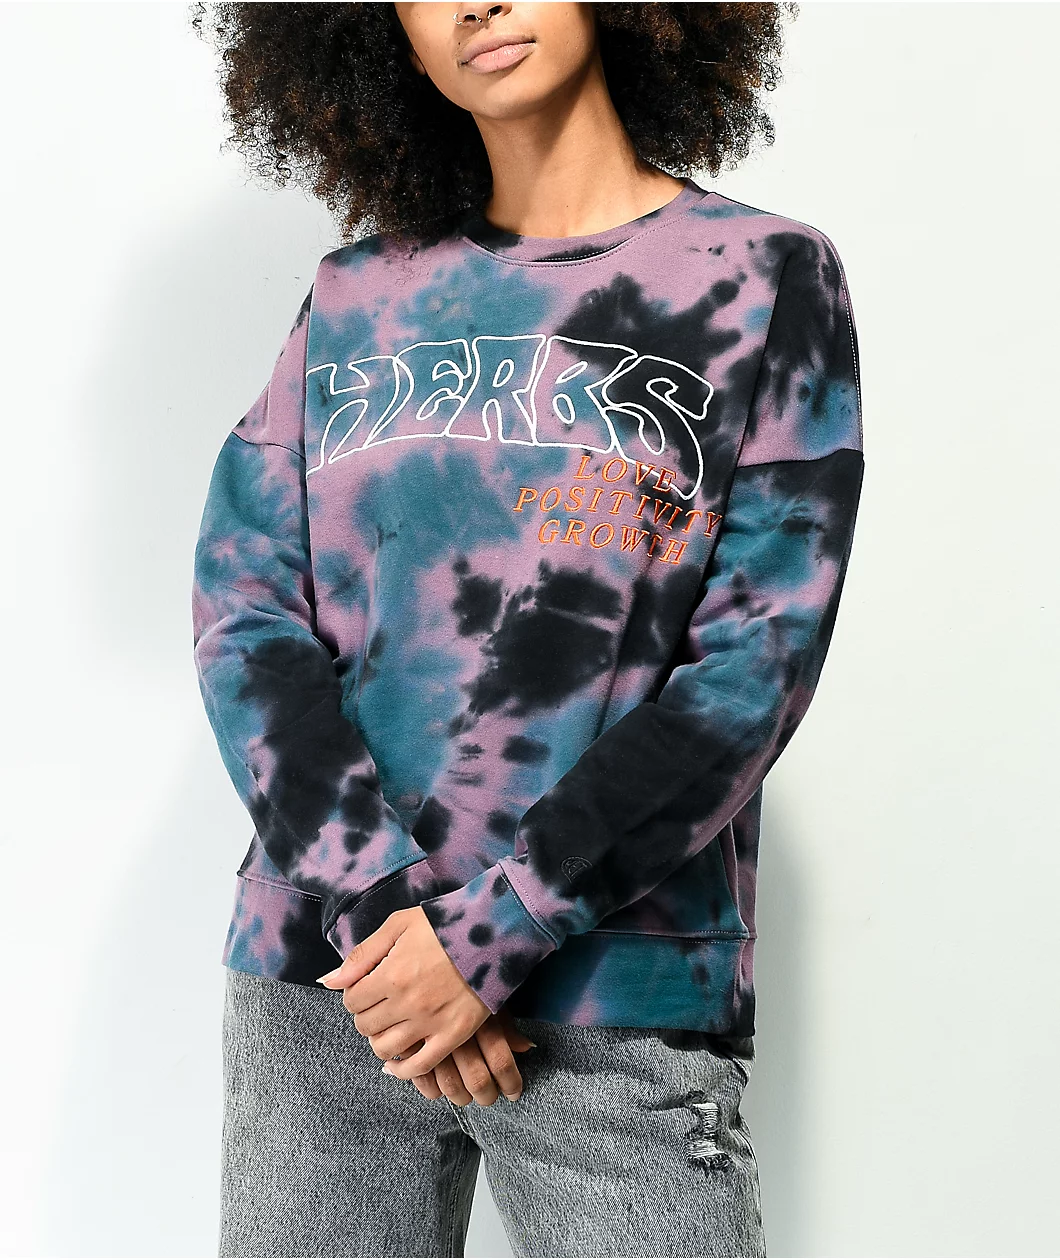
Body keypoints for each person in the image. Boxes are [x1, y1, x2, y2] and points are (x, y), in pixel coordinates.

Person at [190, 2, 864, 1255]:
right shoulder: (354, 296)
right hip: (332, 988)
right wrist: (384, 919)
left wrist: (489, 936)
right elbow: (246, 612)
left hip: (606, 996)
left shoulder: (763, 275)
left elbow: (752, 668)